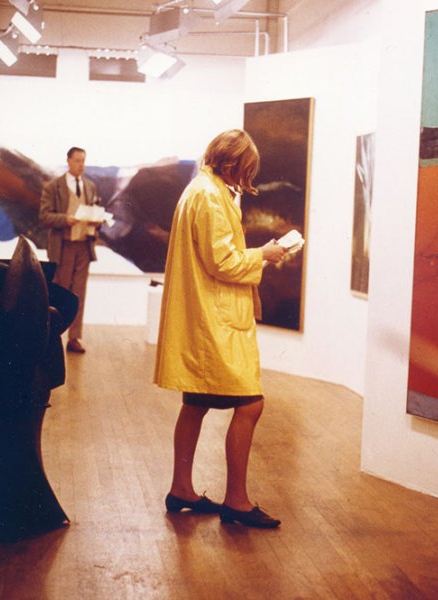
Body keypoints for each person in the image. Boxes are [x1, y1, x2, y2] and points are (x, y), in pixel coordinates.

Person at [154, 129, 287, 529]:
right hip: (215, 318)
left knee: (195, 402)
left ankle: (182, 488)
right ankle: (237, 501)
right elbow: (223, 262)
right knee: (250, 403)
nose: (246, 179)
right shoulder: (211, 197)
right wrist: (264, 254)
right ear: (232, 164)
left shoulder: (200, 190)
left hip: (204, 315)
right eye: (246, 170)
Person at [39, 146, 101, 354]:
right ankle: (52, 335)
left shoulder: (90, 186)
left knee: (79, 294)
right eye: (77, 160)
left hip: (84, 246)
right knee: (61, 292)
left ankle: (74, 338)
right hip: (63, 246)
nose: (81, 165)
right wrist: (65, 219)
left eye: (83, 160)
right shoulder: (53, 187)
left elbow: (95, 209)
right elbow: (45, 216)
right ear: (68, 161)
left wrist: (98, 220)